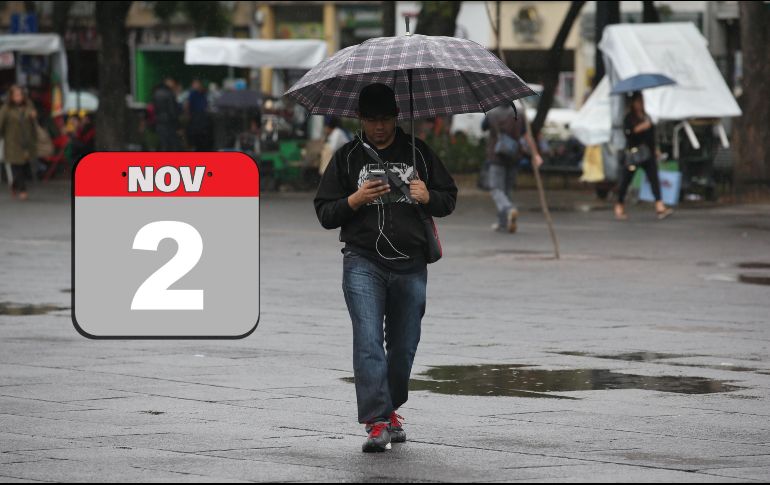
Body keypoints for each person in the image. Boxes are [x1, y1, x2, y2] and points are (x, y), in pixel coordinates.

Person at [314, 83, 457, 453]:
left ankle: (391, 408)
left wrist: (430, 196)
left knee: (404, 345)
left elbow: (448, 197)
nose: (379, 127)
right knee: (367, 340)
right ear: (360, 119)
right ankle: (377, 421)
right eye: (371, 119)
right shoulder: (347, 157)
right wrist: (354, 199)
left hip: (410, 263)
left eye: (386, 119)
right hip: (362, 261)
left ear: (396, 117)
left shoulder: (418, 152)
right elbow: (325, 212)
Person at [482, 103, 543, 233]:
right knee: (508, 189)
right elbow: (527, 136)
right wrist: (535, 155)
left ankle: (509, 209)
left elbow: (483, 127)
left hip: (496, 156)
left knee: (496, 189)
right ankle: (503, 222)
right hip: (514, 156)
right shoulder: (520, 113)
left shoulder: (492, 113)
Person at [615, 91, 673, 220]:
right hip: (634, 154)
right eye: (638, 102)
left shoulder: (647, 117)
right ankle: (619, 204)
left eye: (643, 102)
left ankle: (659, 205)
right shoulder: (629, 118)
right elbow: (628, 133)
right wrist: (641, 127)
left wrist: (655, 149)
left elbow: (651, 136)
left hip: (648, 154)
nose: (641, 104)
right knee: (626, 180)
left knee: (654, 179)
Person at [0, 85, 38, 200]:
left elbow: (34, 123)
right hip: (12, 141)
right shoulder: (6, 108)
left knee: (25, 165)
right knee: (16, 165)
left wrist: (33, 116)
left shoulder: (28, 106)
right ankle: (22, 189)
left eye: (20, 95)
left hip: (27, 141)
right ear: (11, 97)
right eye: (15, 95)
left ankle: (15, 184)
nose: (18, 97)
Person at [152, 77, 182, 151]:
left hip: (159, 121)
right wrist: (178, 125)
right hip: (169, 123)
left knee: (163, 143)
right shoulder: (169, 94)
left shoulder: (156, 92)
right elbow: (173, 111)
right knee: (172, 144)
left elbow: (155, 108)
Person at [184, 79, 213, 151]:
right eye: (194, 84)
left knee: (202, 138)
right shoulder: (192, 94)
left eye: (196, 84)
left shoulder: (203, 93)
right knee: (198, 138)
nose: (195, 85)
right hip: (196, 119)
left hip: (202, 119)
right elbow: (187, 106)